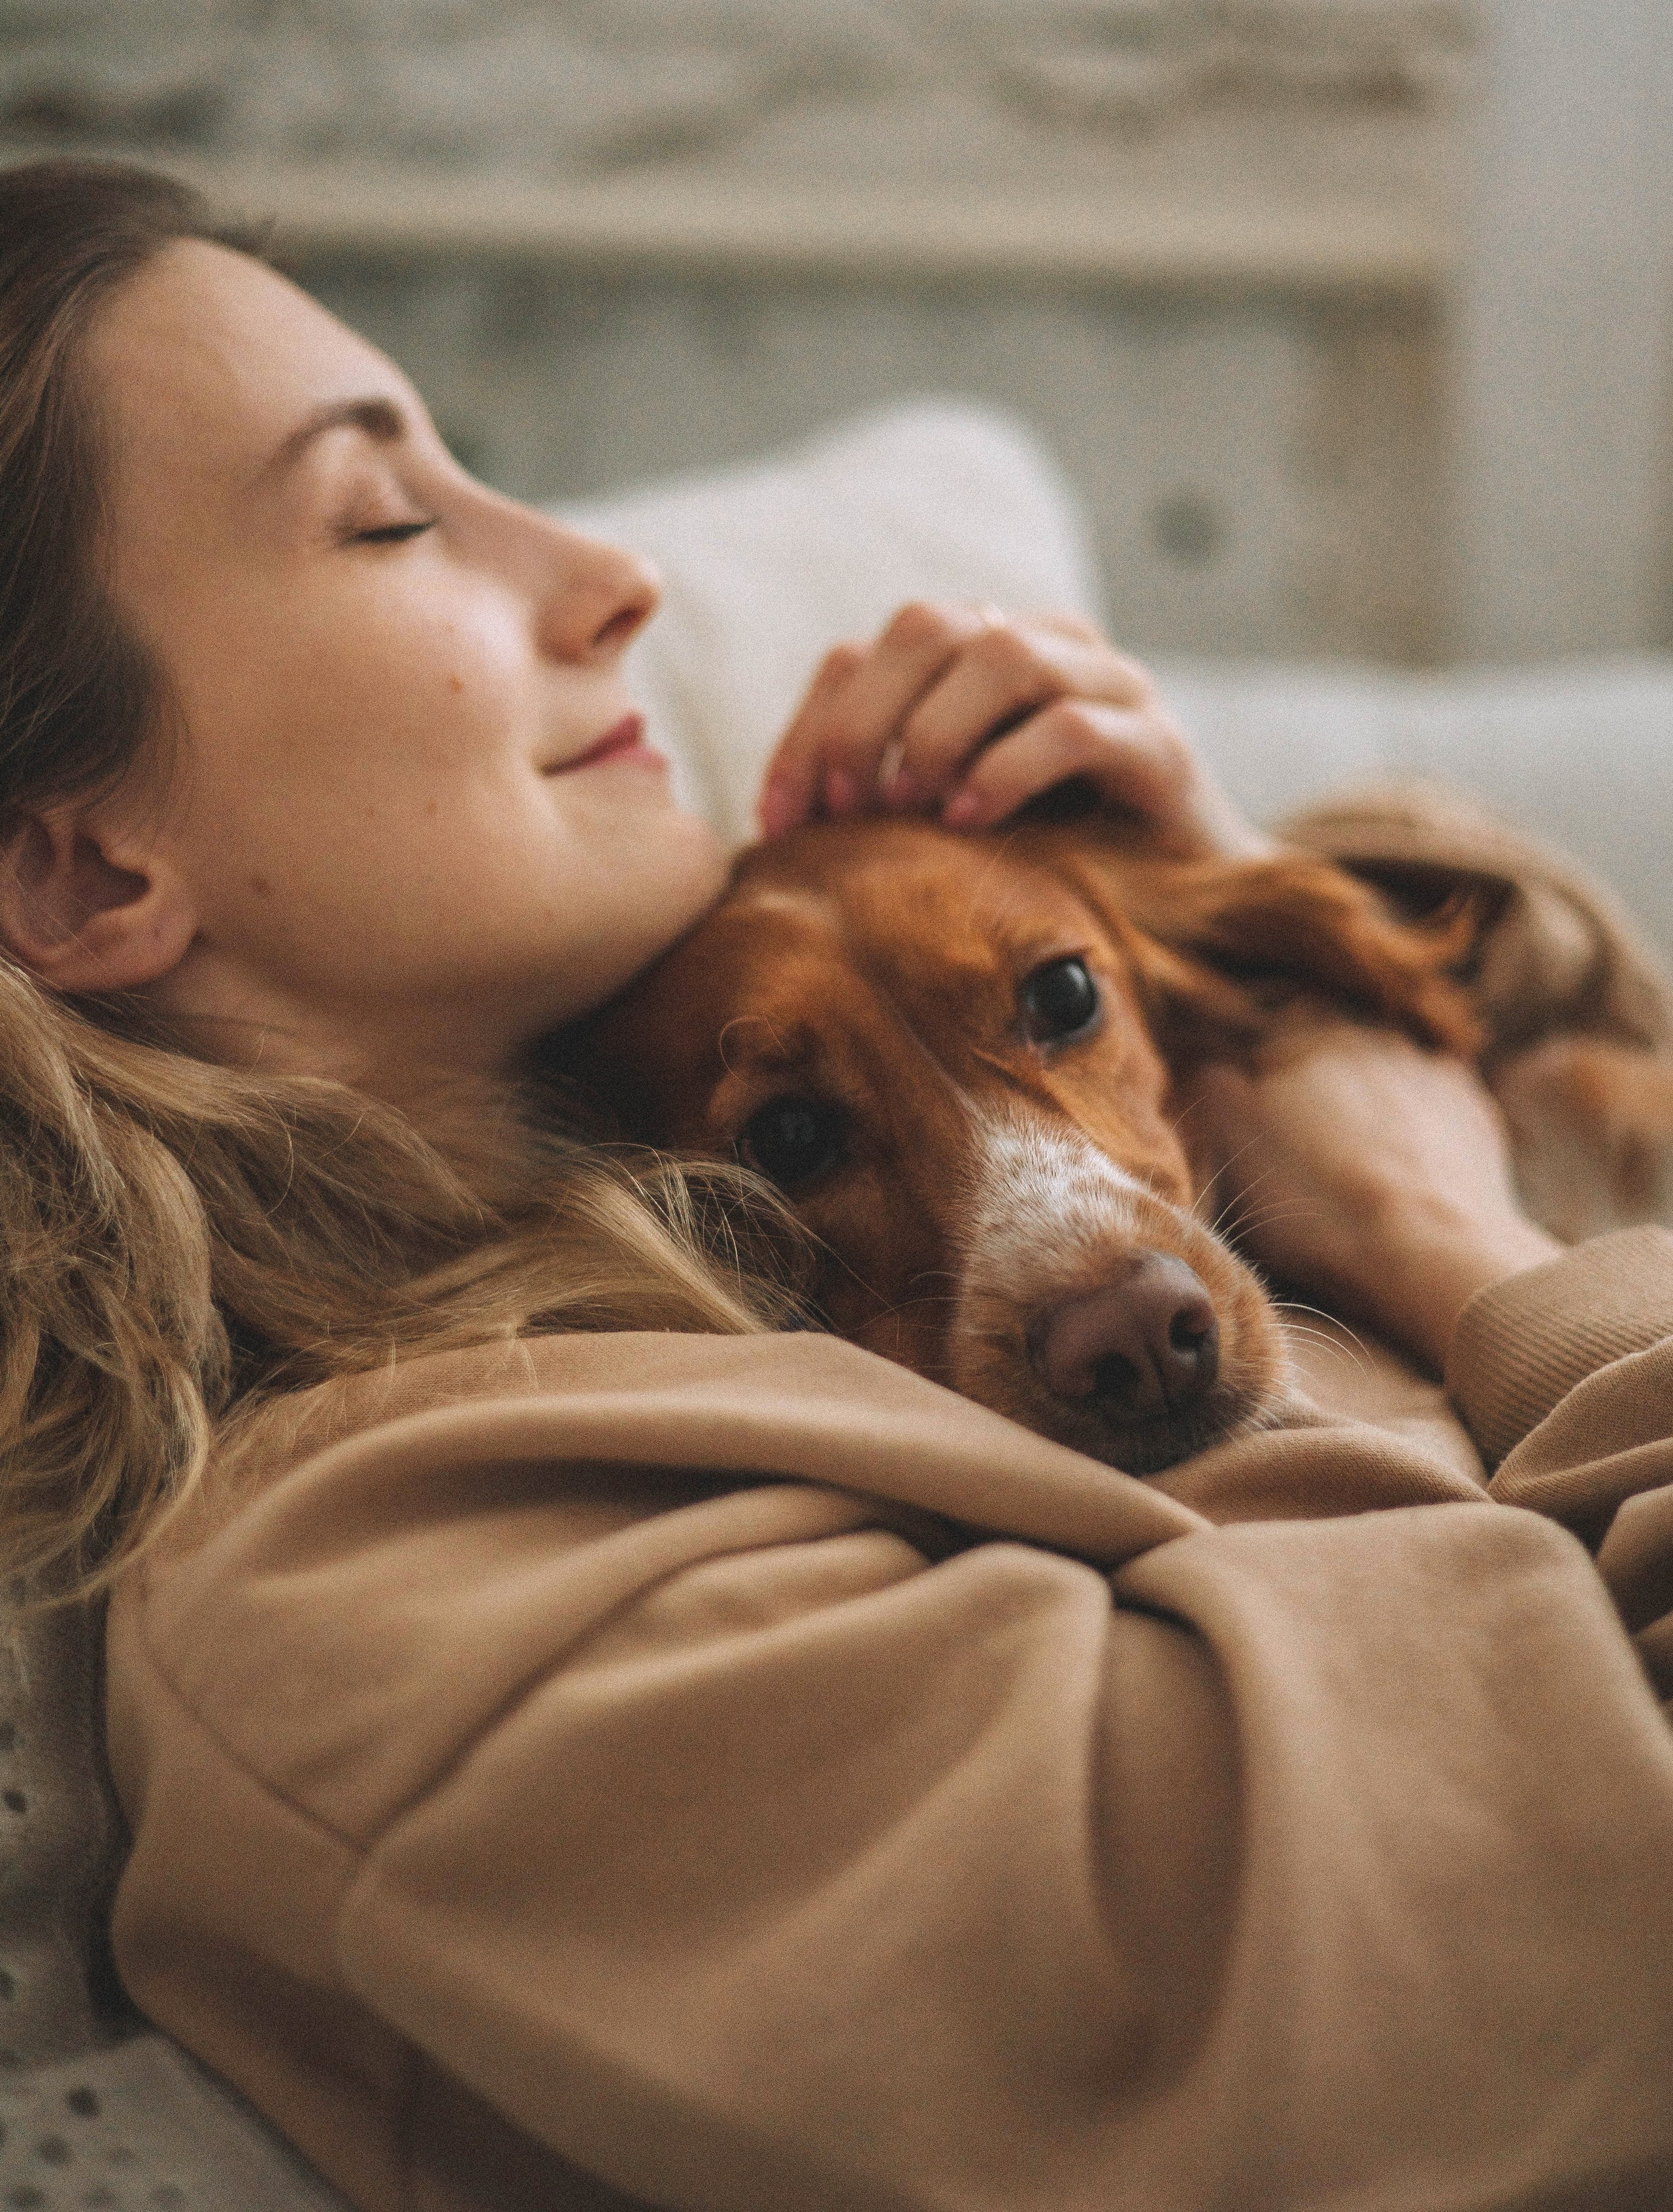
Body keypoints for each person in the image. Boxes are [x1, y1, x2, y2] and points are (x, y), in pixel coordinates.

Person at [4, 156, 1672, 2212]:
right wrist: (1453, 1244)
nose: (612, 579)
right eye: (390, 517)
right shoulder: (390, 1581)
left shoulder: (694, 1285)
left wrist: (1238, 914)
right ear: (80, 868)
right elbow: (1562, 1944)